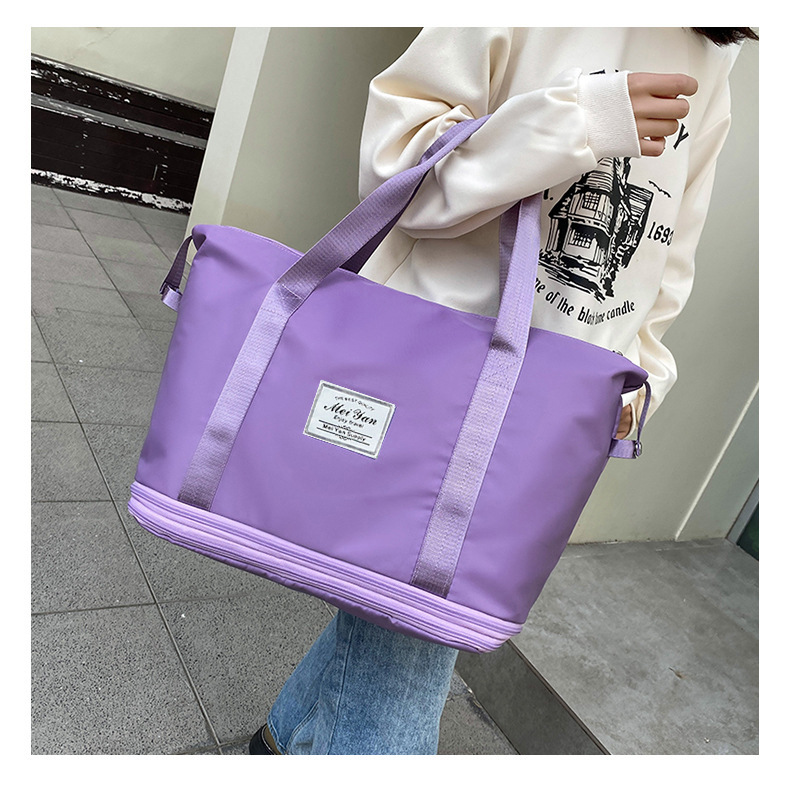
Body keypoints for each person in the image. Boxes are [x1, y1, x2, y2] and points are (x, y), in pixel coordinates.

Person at [250, 26, 756, 756]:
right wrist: (582, 122)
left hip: (557, 409)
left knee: (410, 603)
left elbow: (672, 247)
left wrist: (641, 376)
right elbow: (397, 167)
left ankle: (281, 739)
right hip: (439, 369)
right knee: (423, 619)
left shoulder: (713, 51)